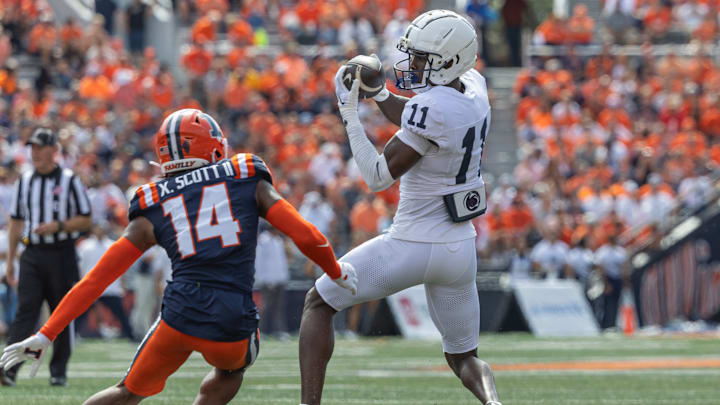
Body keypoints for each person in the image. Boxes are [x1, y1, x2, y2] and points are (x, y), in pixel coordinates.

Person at [0, 109, 356, 404]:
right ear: (213, 146)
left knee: (125, 393)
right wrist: (336, 271)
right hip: (232, 320)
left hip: (180, 315)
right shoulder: (245, 175)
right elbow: (306, 236)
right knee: (231, 370)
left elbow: (97, 280)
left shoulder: (153, 201)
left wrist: (46, 334)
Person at [299, 10, 501, 405]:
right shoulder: (474, 87)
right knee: (463, 358)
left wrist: (349, 112)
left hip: (410, 245)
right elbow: (417, 116)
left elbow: (377, 177)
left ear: (449, 60)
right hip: (459, 249)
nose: (414, 64)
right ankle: (493, 403)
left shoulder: (435, 109)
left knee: (318, 303)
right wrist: (379, 95)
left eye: (424, 58)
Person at [1, 128, 92, 387]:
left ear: (54, 150)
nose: (35, 152)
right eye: (32, 147)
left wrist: (59, 226)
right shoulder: (25, 180)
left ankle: (58, 370)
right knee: (25, 311)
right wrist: (10, 262)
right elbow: (16, 222)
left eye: (40, 147)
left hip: (61, 252)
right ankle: (8, 369)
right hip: (32, 254)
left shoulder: (69, 179)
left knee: (61, 312)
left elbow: (86, 219)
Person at [76, 223, 134, 341]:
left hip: (109, 286)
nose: (99, 231)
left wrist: (121, 284)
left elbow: (120, 266)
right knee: (80, 312)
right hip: (90, 285)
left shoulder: (112, 245)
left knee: (120, 312)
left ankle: (130, 335)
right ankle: (72, 335)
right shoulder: (85, 246)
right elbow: (80, 266)